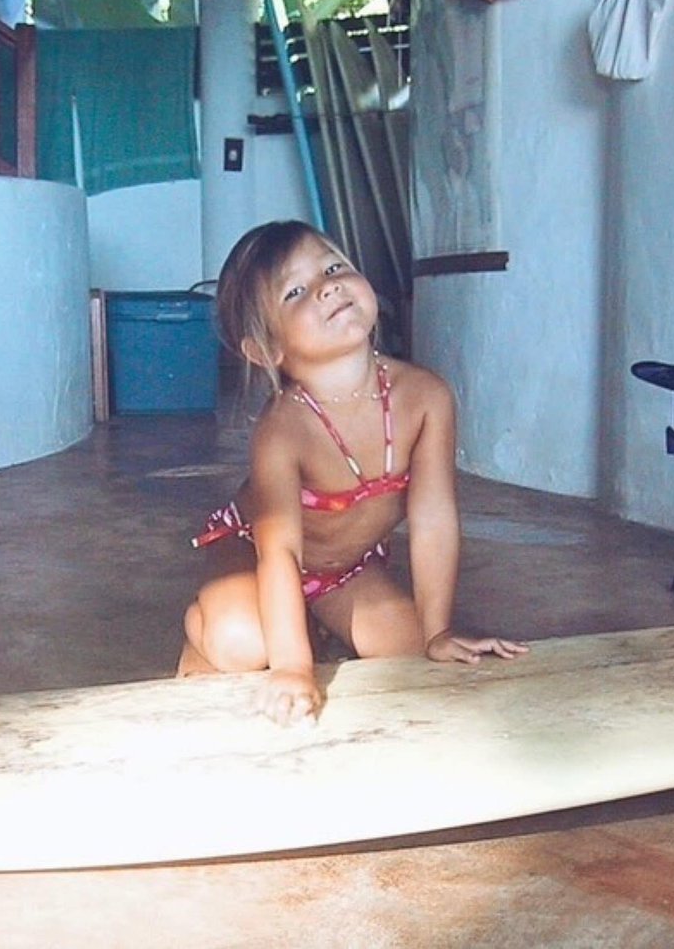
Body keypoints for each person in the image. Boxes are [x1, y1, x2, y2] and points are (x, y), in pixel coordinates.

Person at [177, 220, 527, 725]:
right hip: (255, 555)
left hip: (342, 570)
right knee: (242, 646)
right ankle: (206, 628)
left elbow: (432, 520)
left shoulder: (426, 397)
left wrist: (438, 631)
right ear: (266, 349)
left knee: (415, 653)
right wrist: (294, 669)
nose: (328, 286)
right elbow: (281, 551)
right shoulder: (283, 429)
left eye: (334, 267)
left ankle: (309, 621)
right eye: (296, 291)